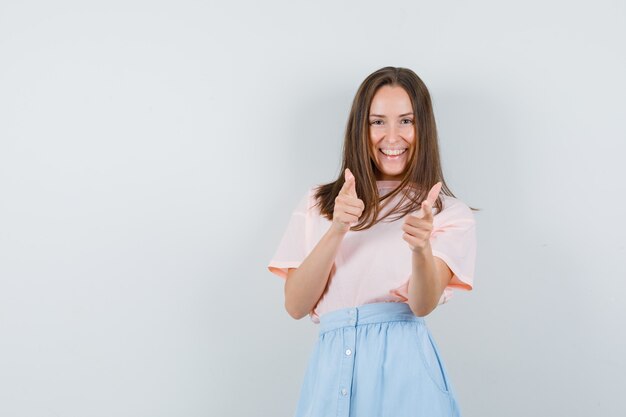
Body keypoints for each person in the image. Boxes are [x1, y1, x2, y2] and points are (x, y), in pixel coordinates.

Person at [267, 66, 478, 417]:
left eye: (406, 121)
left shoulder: (445, 212)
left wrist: (421, 248)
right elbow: (296, 305)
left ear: (423, 127)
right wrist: (337, 227)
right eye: (377, 122)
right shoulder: (319, 202)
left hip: (404, 375)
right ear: (360, 129)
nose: (392, 136)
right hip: (329, 372)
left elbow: (422, 305)